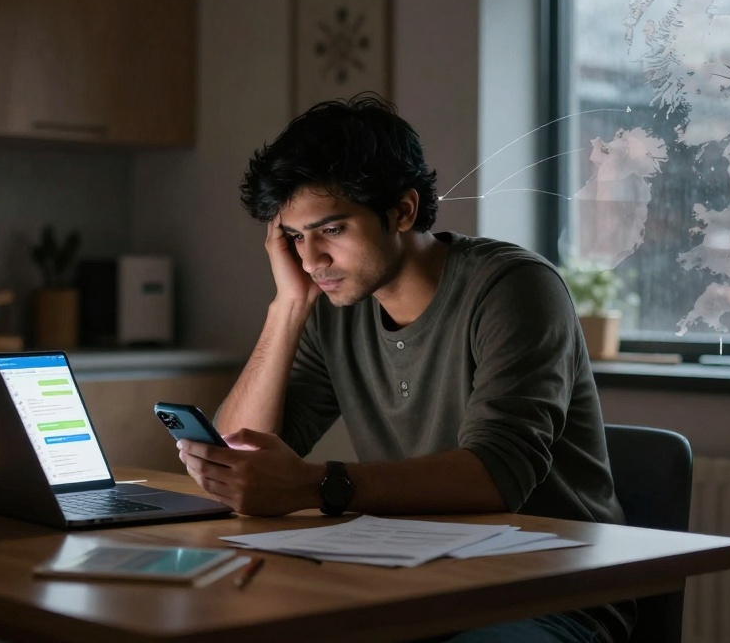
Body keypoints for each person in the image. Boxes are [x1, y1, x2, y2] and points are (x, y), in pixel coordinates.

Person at [177, 95, 633, 642]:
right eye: (295, 238)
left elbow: (498, 475)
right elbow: (237, 457)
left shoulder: (513, 288)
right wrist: (288, 307)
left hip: (548, 594)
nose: (310, 259)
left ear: (402, 210)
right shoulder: (333, 309)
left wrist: (318, 485)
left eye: (332, 230)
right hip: (409, 585)